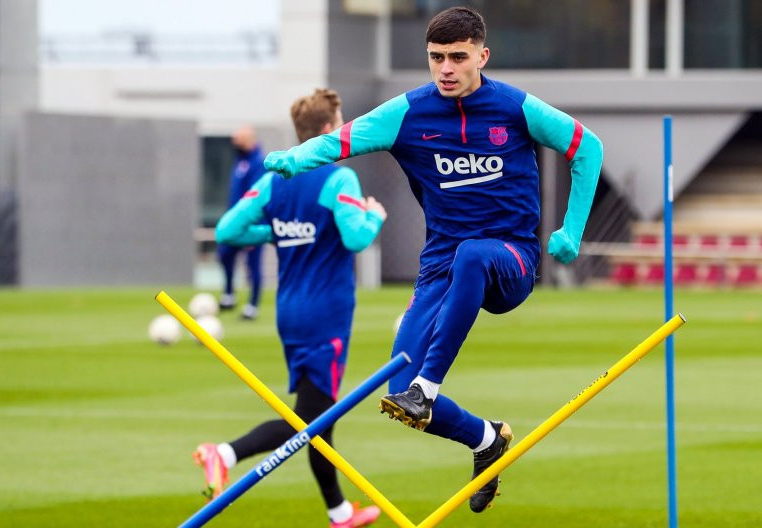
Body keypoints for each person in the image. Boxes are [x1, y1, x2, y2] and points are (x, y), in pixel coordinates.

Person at [264, 6, 603, 514]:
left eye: (458, 57)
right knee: (398, 394)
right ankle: (485, 439)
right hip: (441, 265)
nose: (446, 67)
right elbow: (340, 141)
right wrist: (296, 158)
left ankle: (429, 384)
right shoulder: (406, 112)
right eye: (436, 57)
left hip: (509, 258)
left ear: (482, 57)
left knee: (471, 258)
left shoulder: (516, 107)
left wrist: (571, 230)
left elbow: (588, 147)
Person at [194, 88, 388, 528]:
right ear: (326, 130)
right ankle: (223, 453)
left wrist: (275, 233)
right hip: (326, 316)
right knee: (311, 420)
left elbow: (226, 230)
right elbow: (357, 238)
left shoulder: (275, 177)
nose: (344, 132)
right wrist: (374, 215)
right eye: (339, 125)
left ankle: (340, 513)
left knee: (319, 415)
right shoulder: (338, 177)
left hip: (290, 312)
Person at [217, 125, 266, 319]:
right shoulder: (240, 161)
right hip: (235, 222)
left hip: (252, 224)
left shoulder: (258, 163)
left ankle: (252, 306)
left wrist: (253, 226)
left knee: (253, 265)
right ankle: (229, 294)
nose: (234, 143)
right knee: (224, 255)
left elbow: (257, 198)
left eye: (239, 139)